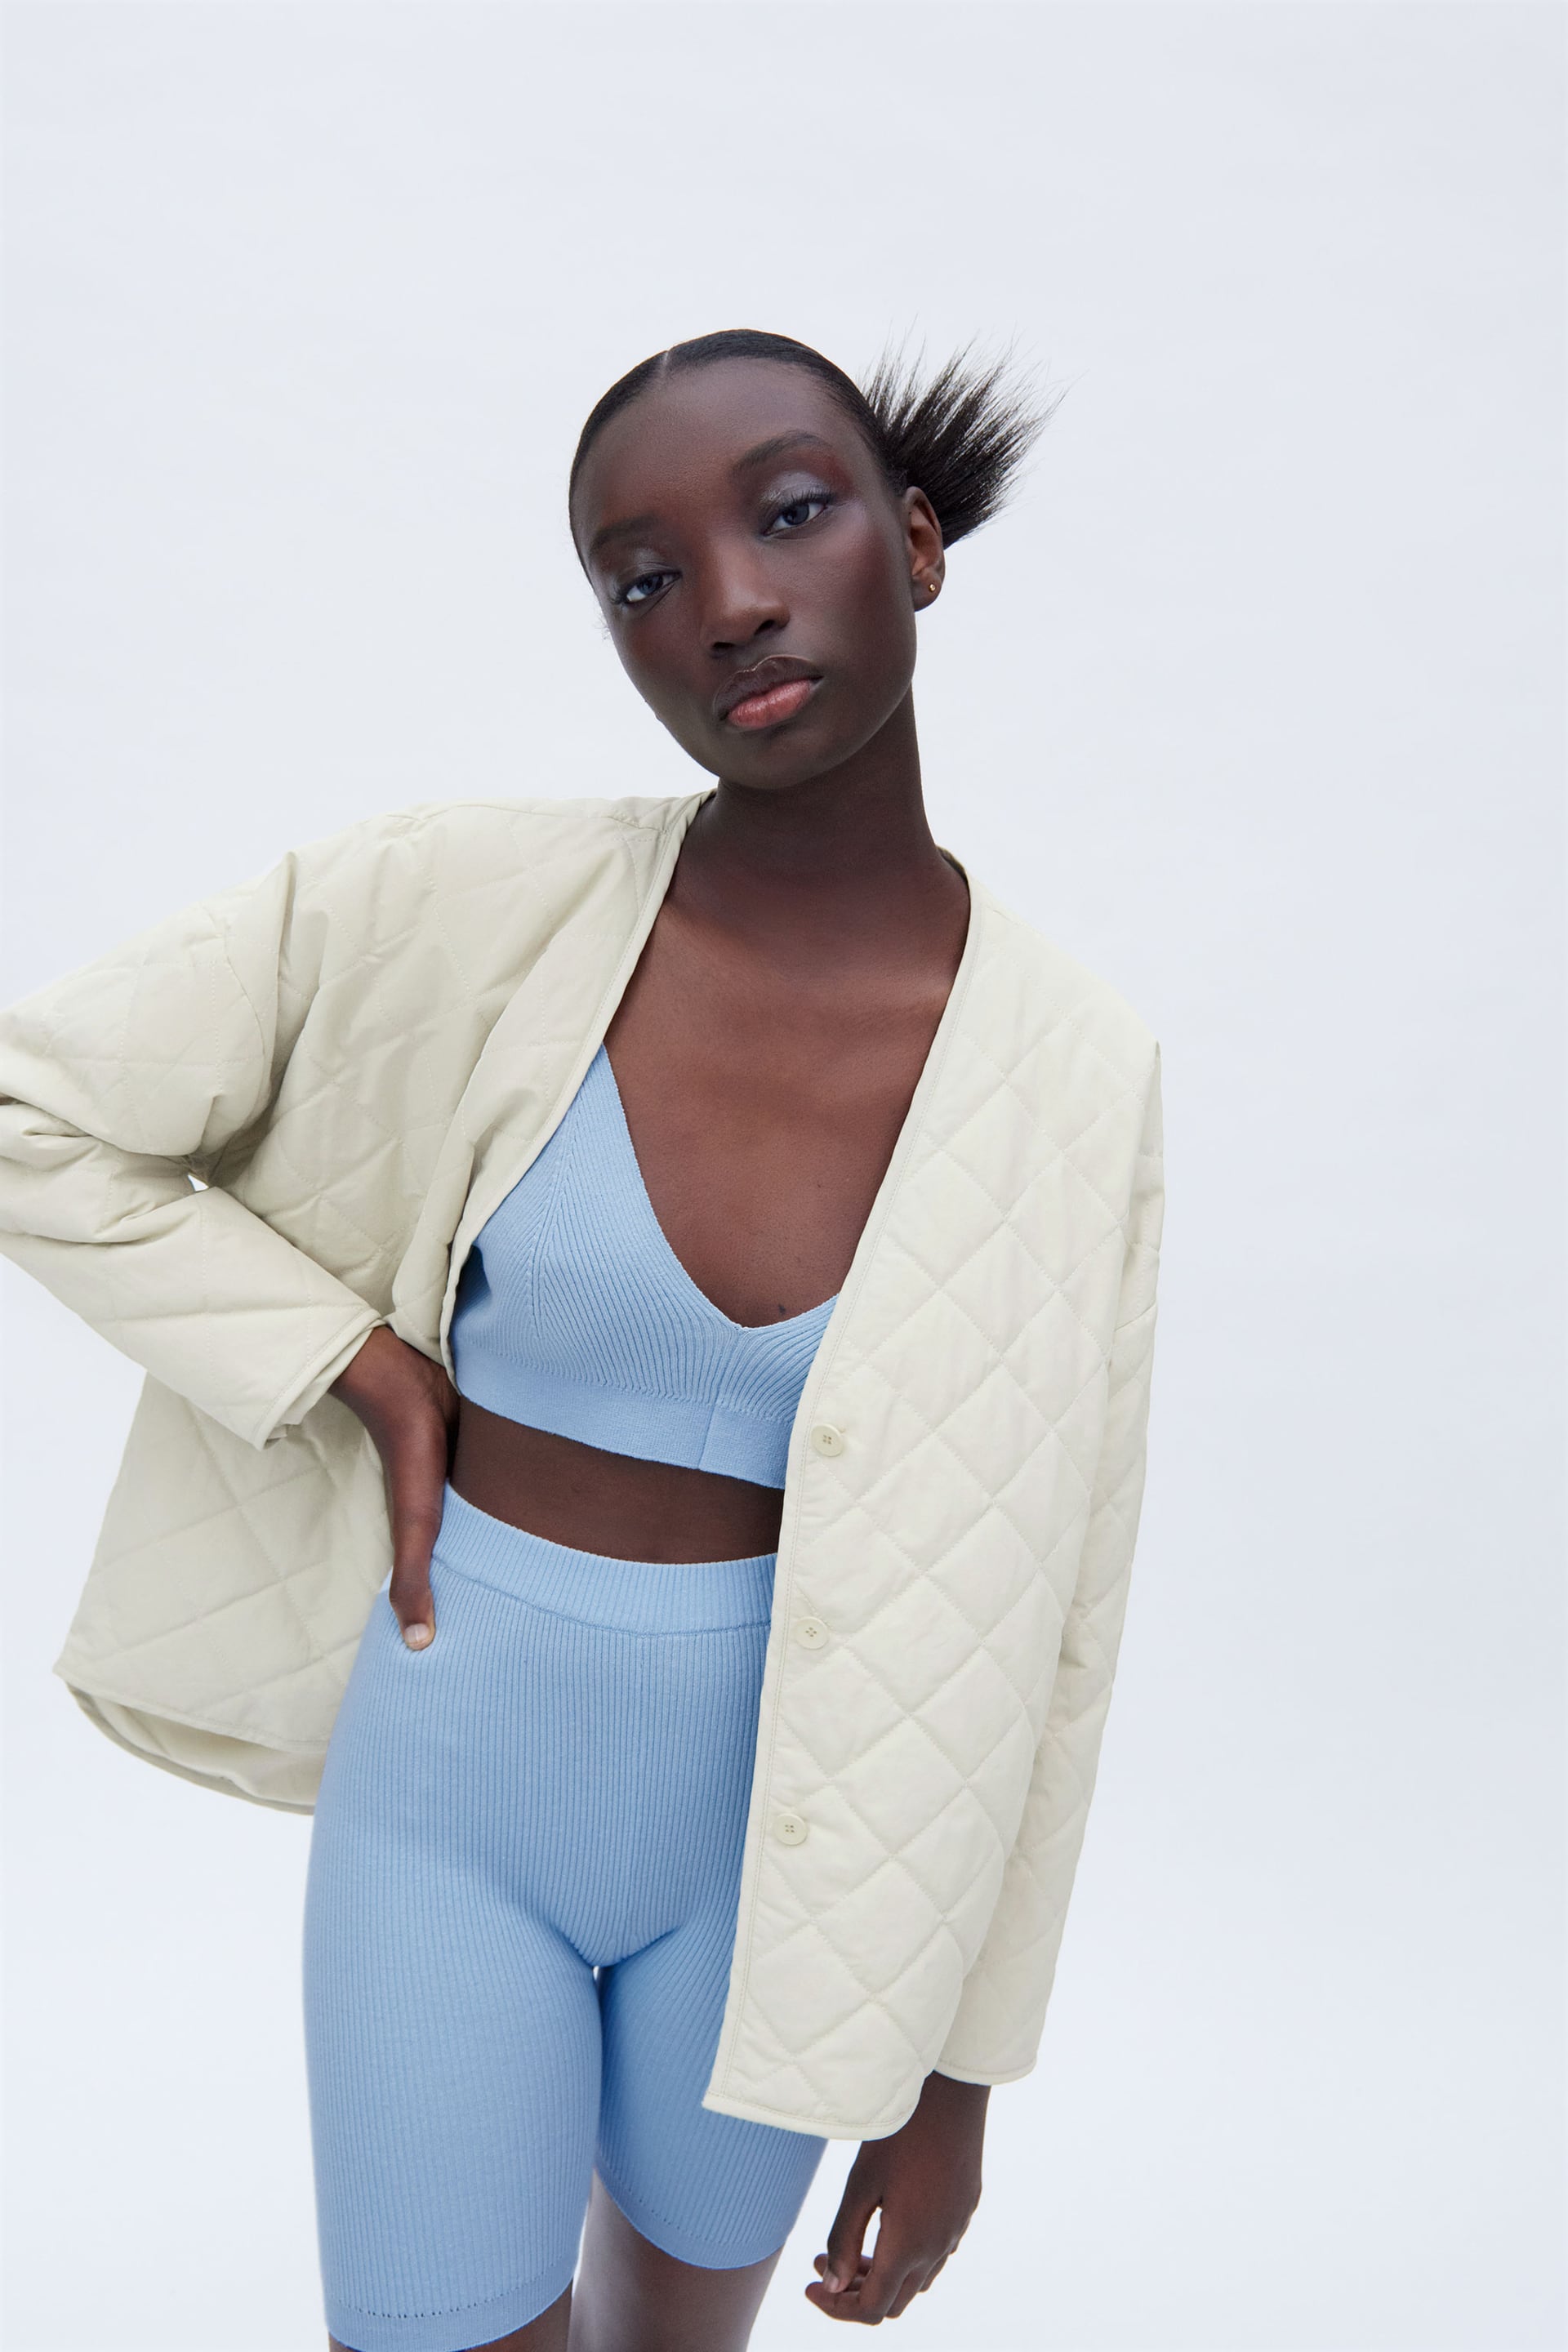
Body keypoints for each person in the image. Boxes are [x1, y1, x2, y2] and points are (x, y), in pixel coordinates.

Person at [0, 329, 1165, 2352]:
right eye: (642, 575)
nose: (728, 602)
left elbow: (1065, 1601)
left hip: (802, 1860)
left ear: (915, 542)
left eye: (788, 514)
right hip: (454, 1786)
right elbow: (39, 1111)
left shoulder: (1078, 1071)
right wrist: (348, 1362)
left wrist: (959, 2076)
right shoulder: (457, 905)